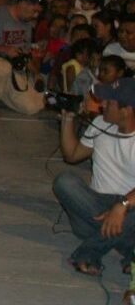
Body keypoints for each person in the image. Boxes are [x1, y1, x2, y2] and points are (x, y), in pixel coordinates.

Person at [53, 78, 135, 276]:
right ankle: (129, 249)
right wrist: (67, 120)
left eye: (109, 102)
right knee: (64, 182)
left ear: (127, 110)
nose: (102, 104)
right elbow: (72, 155)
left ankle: (88, 253)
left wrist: (121, 206)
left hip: (129, 208)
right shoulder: (100, 124)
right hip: (94, 208)